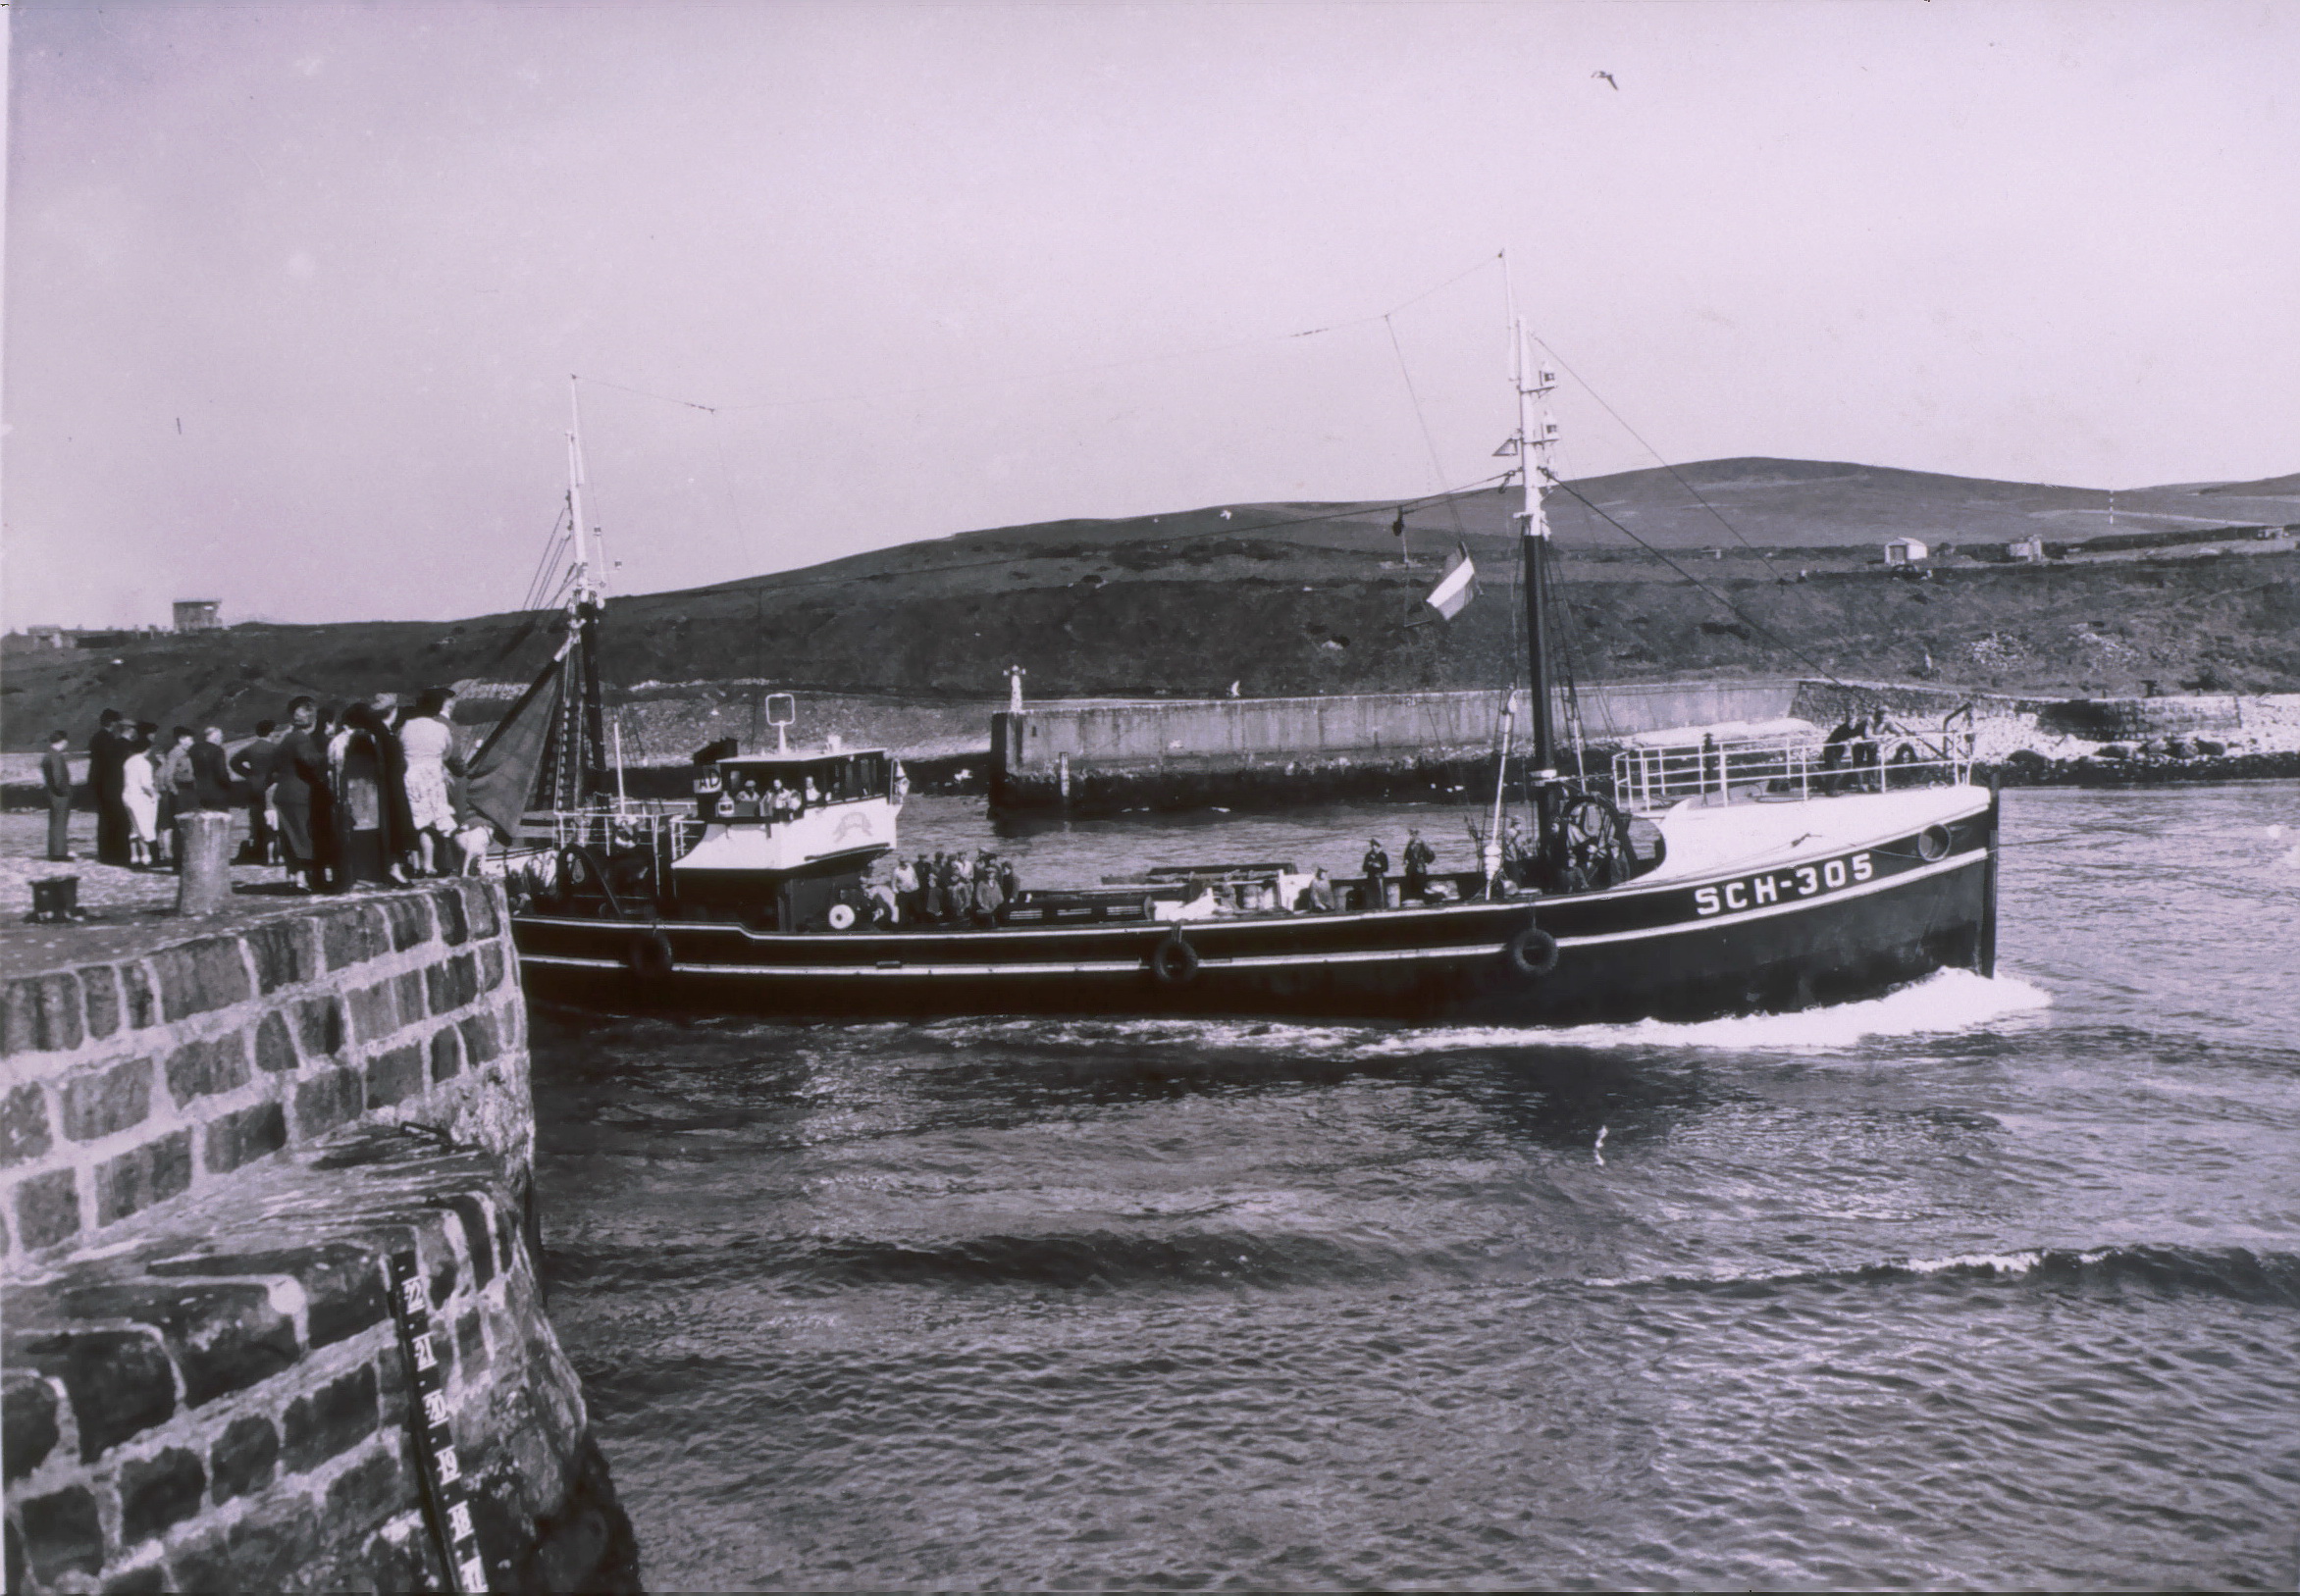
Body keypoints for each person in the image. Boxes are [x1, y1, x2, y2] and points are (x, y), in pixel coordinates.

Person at [330, 703, 397, 889]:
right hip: (367, 791)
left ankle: (349, 876)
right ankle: (369, 874)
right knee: (368, 833)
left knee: (347, 832)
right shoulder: (367, 738)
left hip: (344, 791)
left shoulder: (337, 740)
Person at [399, 687, 463, 877]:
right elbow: (447, 753)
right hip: (434, 776)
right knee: (439, 819)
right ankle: (440, 862)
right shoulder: (442, 729)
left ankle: (421, 864)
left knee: (419, 822)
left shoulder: (406, 726)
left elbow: (399, 748)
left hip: (411, 776)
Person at [272, 698, 330, 892]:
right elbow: (311, 761)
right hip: (299, 793)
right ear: (313, 720)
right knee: (303, 836)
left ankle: (296, 876)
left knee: (292, 836)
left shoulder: (287, 738)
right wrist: (332, 753)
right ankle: (302, 878)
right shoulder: (300, 739)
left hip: (284, 791)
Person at [231, 721, 281, 863]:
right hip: (270, 785)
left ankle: (258, 849)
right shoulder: (276, 749)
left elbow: (234, 762)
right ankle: (272, 853)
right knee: (272, 820)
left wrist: (248, 774)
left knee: (256, 818)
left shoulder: (250, 748)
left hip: (253, 786)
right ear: (271, 733)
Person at [88, 709, 131, 865]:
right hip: (108, 787)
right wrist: (125, 739)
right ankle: (115, 854)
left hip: (102, 785)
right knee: (115, 820)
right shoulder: (104, 738)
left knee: (107, 820)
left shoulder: (100, 737)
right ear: (112, 723)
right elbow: (112, 757)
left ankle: (108, 853)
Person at [155, 727, 196, 865]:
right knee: (179, 825)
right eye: (190, 739)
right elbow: (169, 777)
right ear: (181, 739)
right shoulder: (175, 753)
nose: (192, 741)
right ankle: (177, 856)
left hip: (189, 791)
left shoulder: (188, 753)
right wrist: (176, 792)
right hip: (180, 792)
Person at [122, 729, 160, 868]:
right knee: (144, 825)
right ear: (147, 749)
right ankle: (146, 856)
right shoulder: (144, 763)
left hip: (127, 795)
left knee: (133, 825)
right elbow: (145, 784)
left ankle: (134, 856)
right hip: (139, 797)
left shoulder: (128, 762)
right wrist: (155, 794)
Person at [41, 730, 75, 861]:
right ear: (63, 741)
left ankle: (55, 851)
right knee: (60, 824)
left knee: (55, 823)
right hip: (59, 795)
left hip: (52, 794)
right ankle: (59, 853)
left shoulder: (49, 754)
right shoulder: (56, 756)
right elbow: (58, 778)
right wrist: (65, 791)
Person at [191, 726, 236, 812]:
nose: (221, 739)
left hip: (199, 790)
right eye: (220, 737)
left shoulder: (194, 749)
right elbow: (221, 772)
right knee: (221, 816)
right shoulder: (217, 750)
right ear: (215, 737)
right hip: (217, 791)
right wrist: (229, 787)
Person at [1402, 828, 1435, 903]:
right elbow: (1406, 855)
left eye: (1414, 834)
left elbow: (1431, 854)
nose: (1412, 836)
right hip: (1411, 867)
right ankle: (1415, 899)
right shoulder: (1410, 844)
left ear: (1417, 835)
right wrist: (1405, 860)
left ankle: (1423, 899)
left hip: (1420, 867)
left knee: (1421, 883)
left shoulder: (1422, 844)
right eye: (1411, 834)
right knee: (1412, 884)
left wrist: (1426, 862)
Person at [1361, 837, 1390, 910]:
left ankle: (1382, 907)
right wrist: (1370, 865)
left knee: (1381, 895)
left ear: (1378, 846)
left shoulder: (1383, 855)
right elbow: (1364, 868)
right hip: (1371, 878)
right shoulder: (1368, 855)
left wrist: (1379, 866)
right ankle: (1372, 908)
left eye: (1375, 846)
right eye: (1372, 846)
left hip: (1379, 878)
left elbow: (1386, 868)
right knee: (1371, 895)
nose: (1374, 848)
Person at [891, 855, 919, 922]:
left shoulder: (910, 868)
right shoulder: (896, 871)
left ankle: (914, 922)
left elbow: (915, 877)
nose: (905, 864)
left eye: (906, 862)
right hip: (903, 893)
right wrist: (895, 890)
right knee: (903, 910)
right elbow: (893, 882)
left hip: (912, 891)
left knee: (913, 908)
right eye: (903, 862)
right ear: (900, 863)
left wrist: (916, 885)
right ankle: (904, 924)